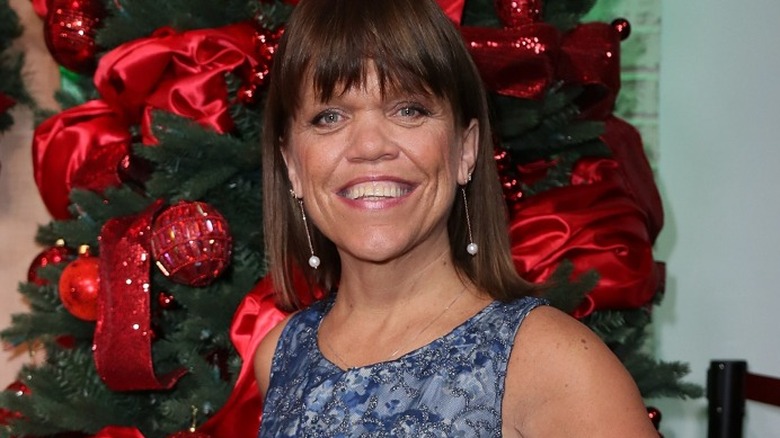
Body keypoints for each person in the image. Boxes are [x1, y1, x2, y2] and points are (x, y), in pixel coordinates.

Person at [254, 0, 659, 436]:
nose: (370, 146)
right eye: (329, 116)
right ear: (292, 164)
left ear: (466, 149)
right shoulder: (280, 355)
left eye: (409, 109)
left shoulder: (553, 365)